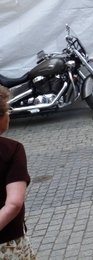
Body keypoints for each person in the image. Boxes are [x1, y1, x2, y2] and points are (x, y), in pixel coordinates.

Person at [0, 86, 36, 259]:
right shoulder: (12, 150)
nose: (9, 114)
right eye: (7, 109)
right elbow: (13, 204)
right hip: (8, 245)